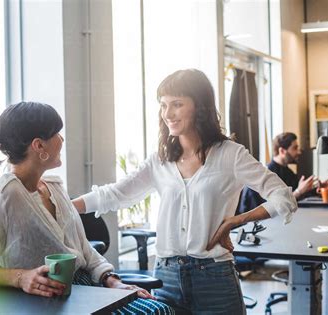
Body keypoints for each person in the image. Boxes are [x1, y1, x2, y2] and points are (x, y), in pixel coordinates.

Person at [72, 69, 298, 314]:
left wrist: (235, 221)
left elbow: (282, 196)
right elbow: (114, 194)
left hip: (215, 278)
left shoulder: (230, 155)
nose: (167, 114)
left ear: (200, 107)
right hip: (166, 277)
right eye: (163, 105)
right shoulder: (160, 160)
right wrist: (61, 206)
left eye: (177, 104)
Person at [0, 102, 173, 314]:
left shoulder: (54, 187)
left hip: (88, 290)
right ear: (39, 146)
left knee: (161, 310)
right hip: (45, 301)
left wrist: (112, 280)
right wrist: (21, 277)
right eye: (57, 134)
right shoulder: (0, 198)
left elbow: (85, 249)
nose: (62, 139)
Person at [237, 132, 328, 214]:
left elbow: (297, 192)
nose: (299, 152)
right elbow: (273, 207)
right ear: (282, 151)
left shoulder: (288, 172)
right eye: (295, 148)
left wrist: (317, 187)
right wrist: (299, 191)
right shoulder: (266, 175)